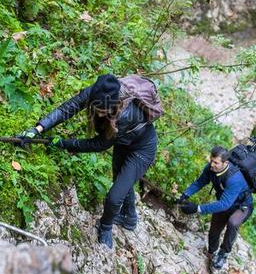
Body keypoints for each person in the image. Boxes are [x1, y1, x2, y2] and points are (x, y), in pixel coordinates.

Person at [17, 74, 158, 249]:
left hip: (142, 150)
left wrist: (64, 144)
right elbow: (69, 107)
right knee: (122, 179)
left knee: (114, 198)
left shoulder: (126, 116)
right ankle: (130, 218)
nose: (98, 113)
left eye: (102, 111)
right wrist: (38, 129)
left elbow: (98, 144)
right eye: (96, 108)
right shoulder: (97, 91)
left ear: (114, 105)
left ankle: (106, 226)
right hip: (123, 142)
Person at [177, 146, 253, 270]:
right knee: (214, 231)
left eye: (216, 162)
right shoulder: (210, 168)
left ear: (225, 163)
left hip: (241, 206)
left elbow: (224, 204)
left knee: (233, 223)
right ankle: (212, 253)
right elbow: (200, 182)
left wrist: (197, 208)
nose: (212, 164)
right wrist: (185, 194)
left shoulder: (235, 179)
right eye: (211, 160)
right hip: (225, 203)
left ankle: (224, 253)